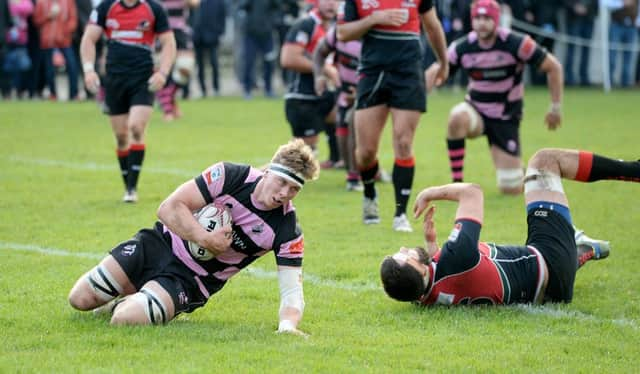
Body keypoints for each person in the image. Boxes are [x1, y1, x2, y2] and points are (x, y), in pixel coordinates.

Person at [68, 139, 319, 335]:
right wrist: (205, 239)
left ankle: (134, 302)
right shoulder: (230, 175)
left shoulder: (287, 231)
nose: (284, 193)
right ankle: (141, 296)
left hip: (191, 280)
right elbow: (168, 207)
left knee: (124, 319)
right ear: (268, 172)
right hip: (158, 244)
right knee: (79, 299)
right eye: (281, 182)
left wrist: (288, 327)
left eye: (295, 188)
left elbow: (292, 292)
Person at [380, 148, 640, 305]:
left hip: (550, 290)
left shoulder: (421, 297)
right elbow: (473, 193)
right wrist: (431, 192)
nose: (404, 248)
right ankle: (633, 170)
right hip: (548, 258)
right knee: (545, 162)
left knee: (558, 247)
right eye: (404, 257)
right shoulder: (456, 256)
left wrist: (430, 246)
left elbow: (445, 282)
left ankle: (582, 249)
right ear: (420, 271)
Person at [425, 0, 563, 195]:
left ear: (496, 21)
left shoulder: (517, 43)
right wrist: (427, 81)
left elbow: (553, 66)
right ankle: (457, 184)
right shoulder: (464, 46)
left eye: (487, 18)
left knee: (510, 189)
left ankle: (520, 170)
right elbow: (441, 68)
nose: (481, 23)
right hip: (477, 111)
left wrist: (555, 107)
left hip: (505, 117)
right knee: (457, 117)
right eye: (478, 18)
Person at [337, 0, 449, 232]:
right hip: (372, 73)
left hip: (408, 74)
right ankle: (369, 194)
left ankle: (401, 213)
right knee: (366, 152)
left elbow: (433, 25)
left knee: (404, 142)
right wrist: (374, 19)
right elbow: (343, 33)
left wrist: (443, 63)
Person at [80, 0, 176, 202]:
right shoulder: (106, 8)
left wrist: (163, 73)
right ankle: (127, 184)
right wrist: (89, 70)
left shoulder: (154, 9)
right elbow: (89, 39)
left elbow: (169, 42)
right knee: (122, 137)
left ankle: (132, 188)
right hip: (114, 80)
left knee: (136, 127)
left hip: (142, 79)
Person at [280, 0, 340, 162]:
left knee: (348, 120)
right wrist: (325, 69)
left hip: (327, 93)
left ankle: (342, 163)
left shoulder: (338, 25)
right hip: (303, 97)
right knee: (302, 154)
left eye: (336, 1)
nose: (331, 4)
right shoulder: (306, 24)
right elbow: (288, 59)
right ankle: (262, 176)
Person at [312, 22, 362, 191]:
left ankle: (355, 177)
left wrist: (361, 93)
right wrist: (319, 76)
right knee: (342, 132)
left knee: (354, 122)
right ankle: (356, 171)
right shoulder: (338, 32)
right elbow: (319, 53)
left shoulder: (376, 35)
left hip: (369, 91)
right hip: (344, 91)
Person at [32, 0, 78, 101]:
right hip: (47, 41)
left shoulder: (68, 2)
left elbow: (73, 20)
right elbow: (36, 20)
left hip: (65, 40)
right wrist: (49, 16)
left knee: (72, 66)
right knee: (49, 69)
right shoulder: (41, 2)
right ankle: (53, 94)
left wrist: (64, 33)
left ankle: (74, 94)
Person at [192, 0, 226, 97]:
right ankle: (202, 90)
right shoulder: (195, 1)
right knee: (200, 65)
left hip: (212, 36)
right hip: (198, 37)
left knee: (214, 63)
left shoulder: (218, 2)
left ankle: (216, 88)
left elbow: (222, 17)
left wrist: (219, 33)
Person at [563, 0, 598, 87]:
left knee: (586, 50)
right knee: (571, 49)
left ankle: (584, 78)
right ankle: (569, 78)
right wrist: (575, 7)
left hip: (589, 18)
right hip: (574, 18)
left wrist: (588, 9)